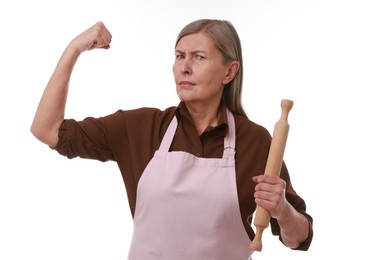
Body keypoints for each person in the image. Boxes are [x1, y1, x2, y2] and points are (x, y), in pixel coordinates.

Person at [31, 19, 313, 259]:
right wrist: (74, 49)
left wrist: (282, 210)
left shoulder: (256, 141)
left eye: (199, 57)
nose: (185, 67)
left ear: (230, 71)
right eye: (180, 56)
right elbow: (47, 129)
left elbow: (299, 238)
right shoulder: (141, 128)